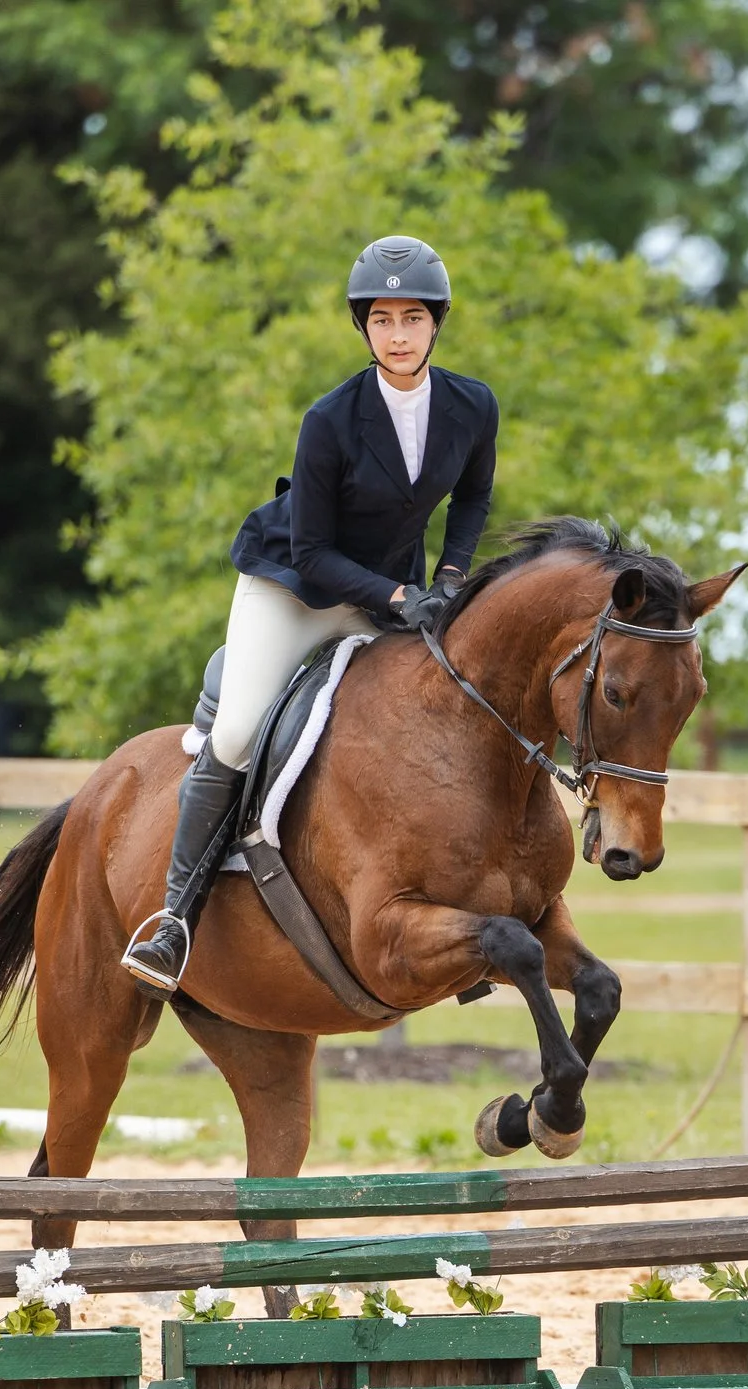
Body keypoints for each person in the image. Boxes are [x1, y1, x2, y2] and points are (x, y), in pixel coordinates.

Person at [120, 235, 501, 997]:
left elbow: (473, 498)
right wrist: (399, 598)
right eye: (383, 319)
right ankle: (173, 918)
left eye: (414, 318)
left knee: (427, 719)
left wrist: (452, 576)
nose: (399, 334)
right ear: (364, 328)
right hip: (295, 587)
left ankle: (450, 909)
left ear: (437, 324)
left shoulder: (471, 404)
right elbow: (315, 549)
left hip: (391, 589)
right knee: (233, 732)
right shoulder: (330, 419)